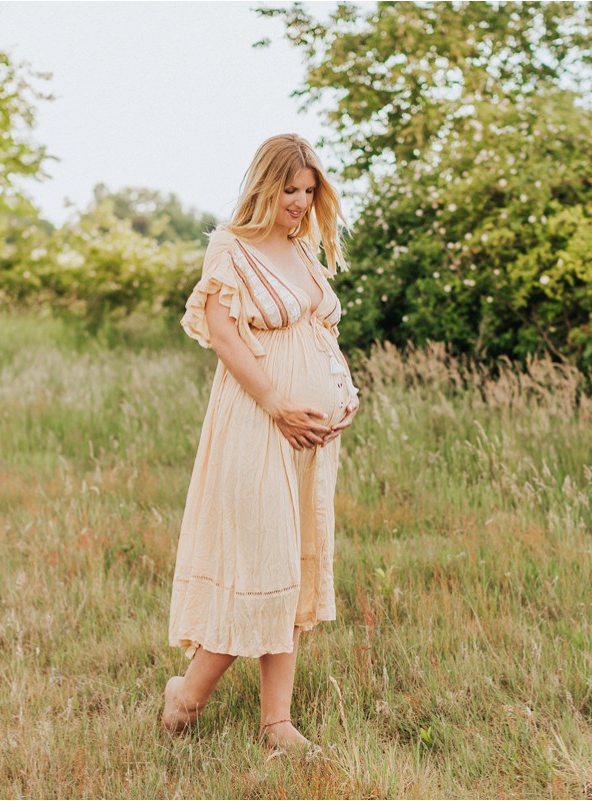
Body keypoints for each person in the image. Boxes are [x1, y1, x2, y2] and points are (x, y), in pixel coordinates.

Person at [162, 134, 360, 753]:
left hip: (310, 436)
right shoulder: (231, 249)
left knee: (290, 568)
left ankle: (277, 723)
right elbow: (224, 336)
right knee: (262, 563)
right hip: (257, 421)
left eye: (309, 191)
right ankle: (187, 695)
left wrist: (344, 391)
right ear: (264, 185)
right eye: (290, 190)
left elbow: (317, 332)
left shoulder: (302, 249)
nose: (300, 202)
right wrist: (277, 402)